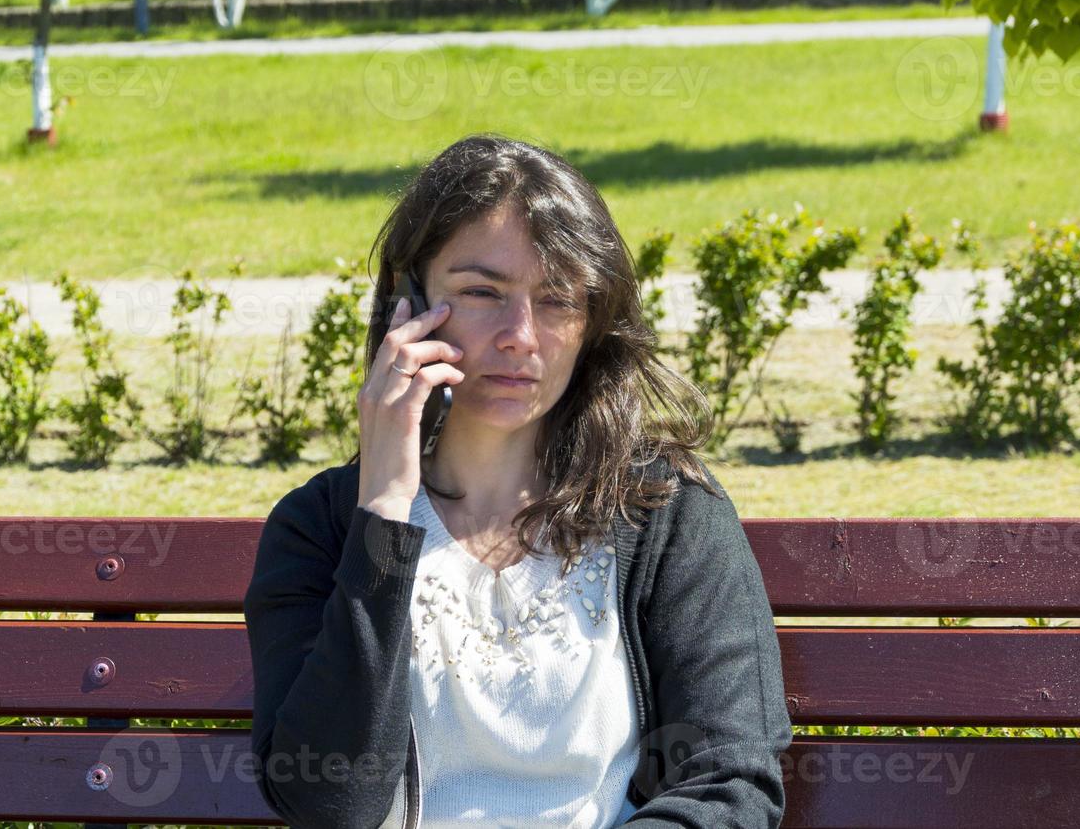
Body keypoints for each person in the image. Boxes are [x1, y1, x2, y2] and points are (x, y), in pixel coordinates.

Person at [244, 133, 792, 828]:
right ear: (406, 307)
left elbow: (730, 783)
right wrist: (382, 513)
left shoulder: (665, 511)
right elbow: (332, 804)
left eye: (557, 298)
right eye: (482, 291)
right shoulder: (318, 528)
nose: (520, 335)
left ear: (594, 319)